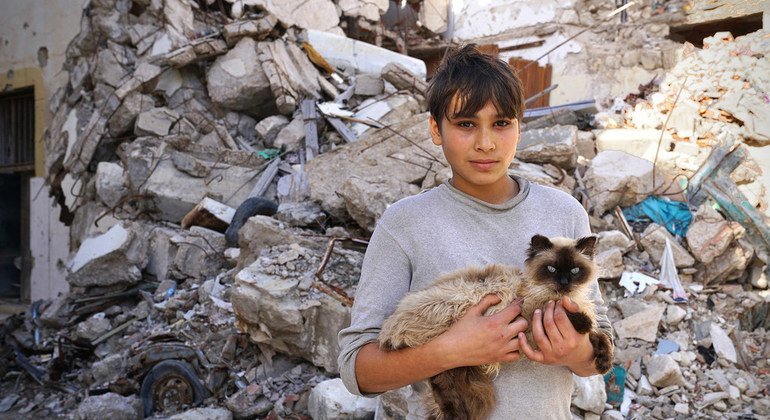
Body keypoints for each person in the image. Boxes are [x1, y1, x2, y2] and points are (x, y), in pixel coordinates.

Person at [337, 44, 613, 419]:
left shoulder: (564, 213)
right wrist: (449, 351)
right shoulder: (405, 225)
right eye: (466, 124)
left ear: (519, 125)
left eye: (501, 123)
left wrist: (575, 351)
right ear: (436, 128)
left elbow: (601, 351)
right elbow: (357, 370)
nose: (486, 142)